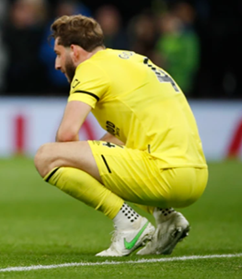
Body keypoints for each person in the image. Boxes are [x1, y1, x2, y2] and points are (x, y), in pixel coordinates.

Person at [34, 15, 207, 256]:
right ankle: (167, 219)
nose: (57, 64)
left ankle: (129, 224)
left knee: (46, 156)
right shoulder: (132, 60)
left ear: (74, 52)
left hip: (165, 173)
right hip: (195, 176)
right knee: (102, 154)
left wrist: (78, 165)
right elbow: (119, 139)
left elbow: (66, 135)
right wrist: (89, 160)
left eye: (58, 53)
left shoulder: (90, 68)